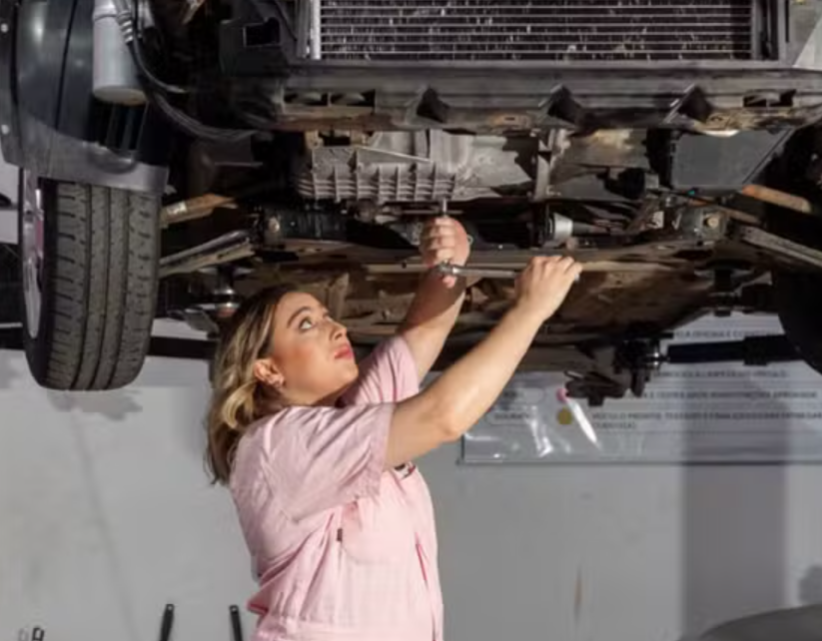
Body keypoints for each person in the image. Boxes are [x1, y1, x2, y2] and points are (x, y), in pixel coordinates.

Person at [206, 216, 583, 641]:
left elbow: (425, 330)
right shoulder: (276, 445)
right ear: (268, 370)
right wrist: (529, 311)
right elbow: (443, 416)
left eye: (328, 316)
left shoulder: (347, 416)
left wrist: (451, 262)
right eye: (307, 324)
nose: (338, 328)